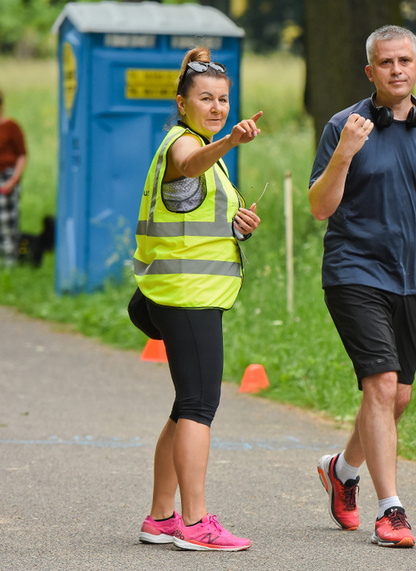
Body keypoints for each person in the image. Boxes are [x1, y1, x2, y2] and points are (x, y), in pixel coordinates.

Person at [309, 25, 416, 548]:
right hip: (352, 271)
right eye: (386, 62)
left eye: (405, 61)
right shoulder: (343, 126)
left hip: (409, 281)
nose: (396, 69)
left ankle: (342, 470)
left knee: (396, 397)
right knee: (379, 385)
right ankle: (391, 510)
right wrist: (344, 153)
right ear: (370, 70)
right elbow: (319, 207)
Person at [132, 46, 262, 551]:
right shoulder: (184, 145)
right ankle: (195, 523)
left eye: (224, 99)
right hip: (186, 296)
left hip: (183, 292)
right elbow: (188, 167)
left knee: (185, 405)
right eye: (205, 99)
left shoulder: (202, 146)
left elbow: (192, 216)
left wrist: (237, 228)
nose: (217, 107)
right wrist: (229, 140)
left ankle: (163, 518)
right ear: (181, 104)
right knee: (199, 406)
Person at [0, 88, 27, 267]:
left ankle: (11, 261)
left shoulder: (11, 126)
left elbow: (22, 155)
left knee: (7, 220)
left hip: (7, 177)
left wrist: (13, 180)